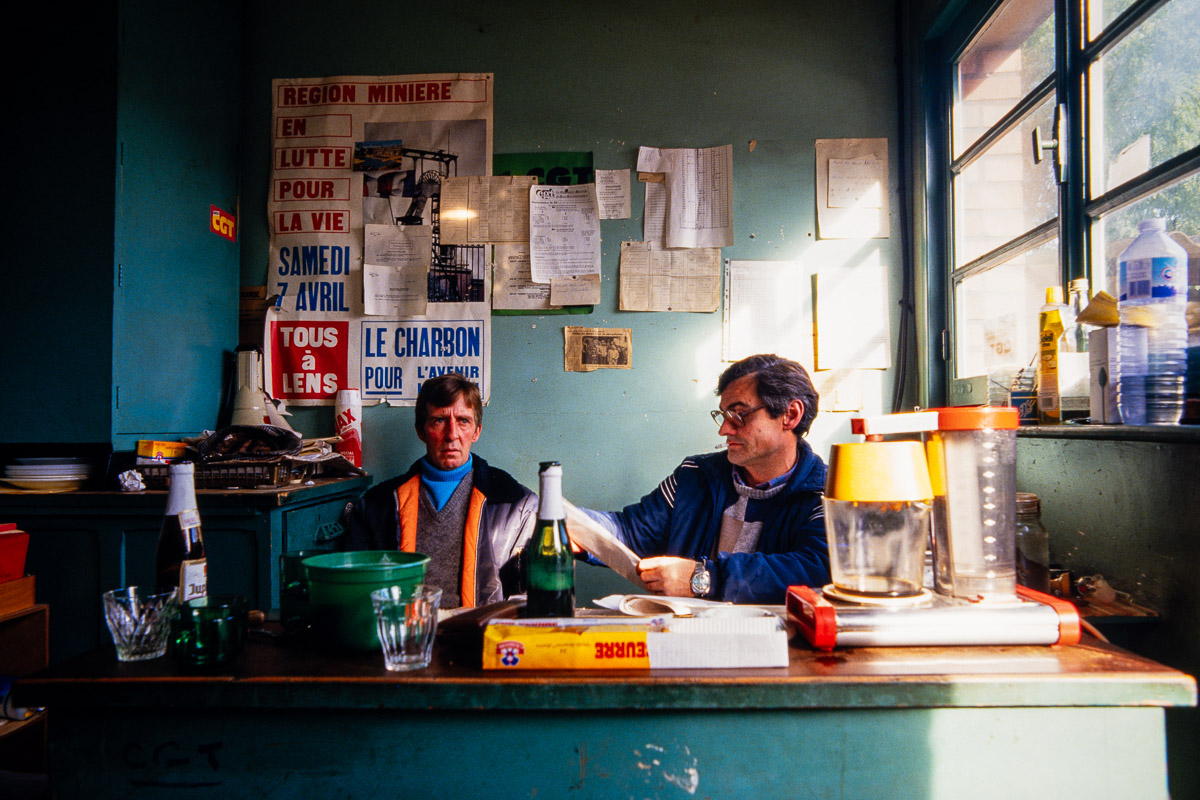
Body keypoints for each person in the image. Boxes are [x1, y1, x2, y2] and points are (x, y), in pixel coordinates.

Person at [570, 354, 829, 604]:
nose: (724, 429)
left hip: (780, 641)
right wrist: (575, 530)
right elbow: (629, 530)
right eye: (724, 415)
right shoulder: (695, 475)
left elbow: (818, 568)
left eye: (739, 415)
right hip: (688, 634)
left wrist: (705, 579)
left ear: (791, 415)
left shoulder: (826, 493)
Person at [341, 373, 538, 608]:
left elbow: (530, 600)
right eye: (439, 421)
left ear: (477, 431)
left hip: (482, 637)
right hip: (408, 638)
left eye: (463, 421)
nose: (452, 435)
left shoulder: (517, 504)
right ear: (421, 430)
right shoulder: (376, 505)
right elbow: (357, 593)